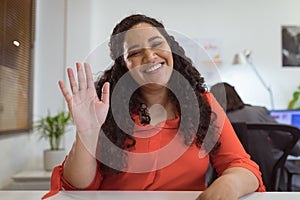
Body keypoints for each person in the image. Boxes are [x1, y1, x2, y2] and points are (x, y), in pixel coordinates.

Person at [42, 14, 265, 200]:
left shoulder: (203, 103)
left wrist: (228, 185)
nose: (150, 56)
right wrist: (86, 134)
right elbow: (78, 187)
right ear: (124, 65)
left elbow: (240, 164)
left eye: (157, 44)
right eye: (135, 53)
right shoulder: (105, 108)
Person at [210, 82, 300, 190]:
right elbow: (286, 140)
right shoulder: (258, 112)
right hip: (266, 175)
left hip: (224, 183)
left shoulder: (212, 120)